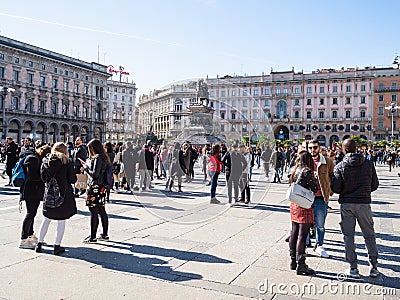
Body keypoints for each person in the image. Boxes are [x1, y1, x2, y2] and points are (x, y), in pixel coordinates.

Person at [331, 139, 379, 279]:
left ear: (344, 150)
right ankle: (374, 266)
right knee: (369, 234)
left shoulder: (339, 166)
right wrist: (364, 191)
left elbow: (336, 188)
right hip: (364, 203)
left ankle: (353, 268)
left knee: (348, 236)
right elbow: (375, 184)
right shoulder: (368, 164)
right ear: (357, 149)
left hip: (347, 204)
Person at [36, 142, 77, 255]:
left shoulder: (46, 160)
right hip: (63, 195)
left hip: (49, 193)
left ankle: (39, 244)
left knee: (46, 219)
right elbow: (72, 179)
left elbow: (43, 177)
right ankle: (57, 246)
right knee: (61, 221)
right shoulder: (67, 161)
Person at [288, 151, 318, 275]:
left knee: (294, 232)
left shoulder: (294, 169)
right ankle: (301, 264)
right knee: (302, 235)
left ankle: (293, 261)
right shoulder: (307, 171)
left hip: (294, 203)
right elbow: (314, 188)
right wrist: (315, 179)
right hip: (304, 204)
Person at [19, 145, 52, 249]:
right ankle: (23, 239)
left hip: (35, 190)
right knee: (30, 213)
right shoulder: (32, 159)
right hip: (30, 191)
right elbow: (32, 176)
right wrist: (44, 176)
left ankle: (30, 235)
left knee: (32, 213)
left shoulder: (36, 159)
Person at [307, 139, 334, 258]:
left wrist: (329, 192)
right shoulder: (305, 161)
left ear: (319, 148)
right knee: (305, 223)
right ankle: (306, 244)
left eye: (315, 147)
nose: (313, 150)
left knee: (320, 224)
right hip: (307, 197)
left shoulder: (327, 161)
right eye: (310, 148)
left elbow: (333, 176)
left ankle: (319, 244)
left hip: (320, 197)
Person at [81, 139, 111, 243]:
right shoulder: (104, 157)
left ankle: (93, 237)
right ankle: (105, 234)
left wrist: (85, 168)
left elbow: (95, 174)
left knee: (94, 212)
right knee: (102, 211)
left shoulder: (98, 158)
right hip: (101, 187)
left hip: (95, 188)